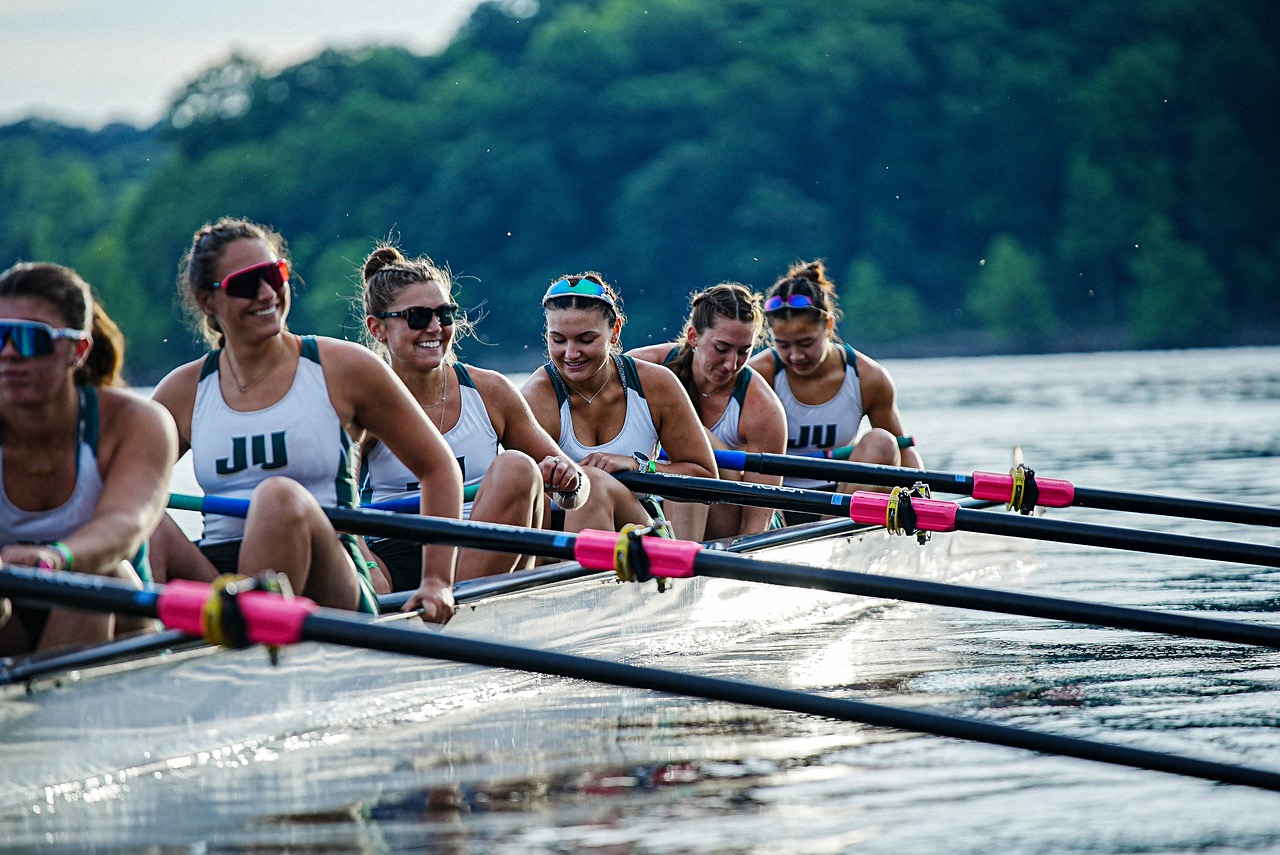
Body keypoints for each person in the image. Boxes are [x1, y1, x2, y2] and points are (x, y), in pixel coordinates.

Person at [151, 218, 462, 622]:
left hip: (329, 576)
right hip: (221, 579)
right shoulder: (183, 391)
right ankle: (142, 649)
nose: (267, 293)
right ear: (208, 301)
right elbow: (117, 491)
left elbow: (438, 468)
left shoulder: (343, 368)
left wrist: (437, 579)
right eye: (246, 284)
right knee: (143, 520)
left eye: (273, 275)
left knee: (279, 497)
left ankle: (248, 631)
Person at [357, 245, 589, 588]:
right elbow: (332, 499)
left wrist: (569, 481)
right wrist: (366, 568)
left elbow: (579, 490)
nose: (434, 328)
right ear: (377, 328)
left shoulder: (490, 391)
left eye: (444, 314)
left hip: (484, 547)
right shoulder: (365, 403)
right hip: (396, 556)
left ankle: (459, 602)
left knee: (517, 467)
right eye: (418, 317)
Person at [0, 262, 177, 655]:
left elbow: (124, 526)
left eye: (30, 339)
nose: (9, 354)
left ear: (77, 351)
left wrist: (54, 559)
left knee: (101, 572)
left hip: (118, 616)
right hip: (11, 622)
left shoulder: (137, 422)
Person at [520, 273, 718, 541]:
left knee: (591, 482)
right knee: (589, 482)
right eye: (558, 340)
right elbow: (531, 504)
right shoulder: (536, 397)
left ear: (615, 331)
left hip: (641, 531)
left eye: (586, 340)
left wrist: (638, 465)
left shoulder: (655, 384)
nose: (571, 353)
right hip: (560, 542)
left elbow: (704, 479)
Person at [747, 260, 922, 514]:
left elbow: (902, 450)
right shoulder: (759, 374)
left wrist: (923, 498)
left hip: (843, 498)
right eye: (783, 345)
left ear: (828, 326)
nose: (795, 355)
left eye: (806, 343)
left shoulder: (869, 377)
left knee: (882, 442)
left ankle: (830, 527)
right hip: (775, 499)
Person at [626, 283, 787, 539]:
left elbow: (758, 516)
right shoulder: (641, 367)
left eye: (744, 351)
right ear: (693, 336)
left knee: (690, 460)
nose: (731, 364)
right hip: (654, 503)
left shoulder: (762, 407)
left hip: (735, 514)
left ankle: (678, 557)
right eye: (721, 349)